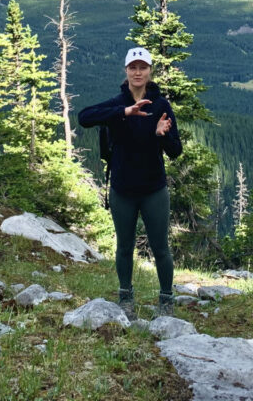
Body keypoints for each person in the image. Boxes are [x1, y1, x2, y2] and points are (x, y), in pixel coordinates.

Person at [77, 46, 182, 318]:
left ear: (150, 71)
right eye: (133, 67)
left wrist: (162, 134)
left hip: (153, 189)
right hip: (122, 189)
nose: (138, 72)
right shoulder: (116, 104)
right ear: (126, 70)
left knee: (161, 247)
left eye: (143, 67)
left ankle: (166, 299)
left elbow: (175, 151)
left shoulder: (161, 106)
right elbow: (84, 117)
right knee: (124, 247)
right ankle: (126, 297)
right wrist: (124, 112)